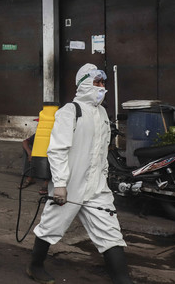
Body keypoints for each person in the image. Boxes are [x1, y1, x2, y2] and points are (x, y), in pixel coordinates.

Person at [27, 64, 132, 284]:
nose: (102, 87)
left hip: (96, 187)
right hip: (70, 186)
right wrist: (61, 184)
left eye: (103, 83)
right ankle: (35, 266)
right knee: (50, 227)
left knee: (110, 232)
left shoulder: (102, 113)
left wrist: (103, 177)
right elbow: (57, 150)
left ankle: (123, 280)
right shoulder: (70, 111)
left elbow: (102, 151)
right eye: (97, 83)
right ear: (84, 83)